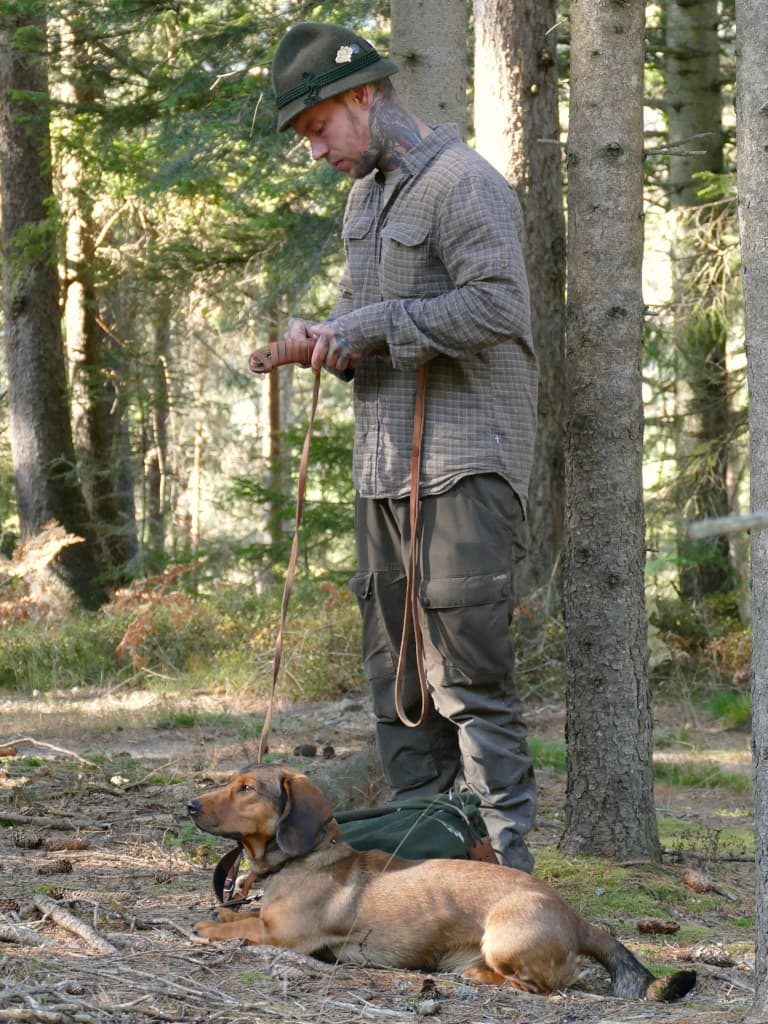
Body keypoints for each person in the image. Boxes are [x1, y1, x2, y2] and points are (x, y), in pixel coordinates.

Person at [269, 22, 539, 871]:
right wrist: (323, 342)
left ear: (363, 95)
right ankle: (424, 879)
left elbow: (499, 308)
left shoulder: (466, 184)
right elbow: (371, 334)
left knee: (468, 683)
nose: (315, 150)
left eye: (317, 127)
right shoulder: (363, 201)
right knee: (398, 684)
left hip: (465, 467)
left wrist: (374, 327)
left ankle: (506, 879)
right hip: (383, 473)